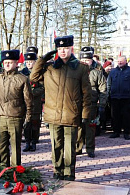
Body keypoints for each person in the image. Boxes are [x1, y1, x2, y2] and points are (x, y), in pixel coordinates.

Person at [30, 35, 92, 181]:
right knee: (56, 145)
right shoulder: (49, 67)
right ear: (56, 50)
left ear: (71, 48)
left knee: (70, 147)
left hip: (71, 114)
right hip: (53, 114)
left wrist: (85, 114)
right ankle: (57, 170)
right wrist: (42, 60)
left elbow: (86, 93)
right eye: (60, 49)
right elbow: (33, 78)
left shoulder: (81, 68)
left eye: (66, 48)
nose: (63, 51)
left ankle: (69, 172)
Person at [0, 49, 33, 167]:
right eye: (5, 62)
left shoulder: (22, 79)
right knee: (2, 146)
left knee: (15, 146)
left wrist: (28, 119)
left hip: (15, 117)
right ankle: (3, 168)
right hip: (0, 117)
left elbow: (28, 101)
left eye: (10, 62)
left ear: (16, 63)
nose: (7, 64)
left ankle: (16, 169)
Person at [76, 51, 107, 158]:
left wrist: (102, 104)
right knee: (78, 126)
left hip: (91, 104)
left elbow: (103, 89)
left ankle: (90, 149)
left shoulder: (97, 73)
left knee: (90, 127)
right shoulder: (76, 72)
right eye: (83, 60)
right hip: (78, 104)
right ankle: (77, 148)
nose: (85, 62)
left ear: (91, 61)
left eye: (87, 60)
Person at [21, 52, 44, 152]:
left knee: (35, 123)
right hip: (24, 103)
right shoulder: (21, 73)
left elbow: (43, 87)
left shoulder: (40, 73)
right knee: (26, 124)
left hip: (35, 102)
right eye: (27, 62)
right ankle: (27, 142)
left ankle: (34, 142)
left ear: (35, 62)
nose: (29, 64)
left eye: (31, 62)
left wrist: (30, 92)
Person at [107, 56, 130, 140]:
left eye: (121, 61)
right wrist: (108, 95)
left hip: (127, 98)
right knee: (115, 116)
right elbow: (109, 84)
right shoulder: (113, 71)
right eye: (118, 61)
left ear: (125, 61)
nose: (119, 63)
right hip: (115, 97)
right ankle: (116, 132)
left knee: (127, 116)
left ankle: (126, 132)